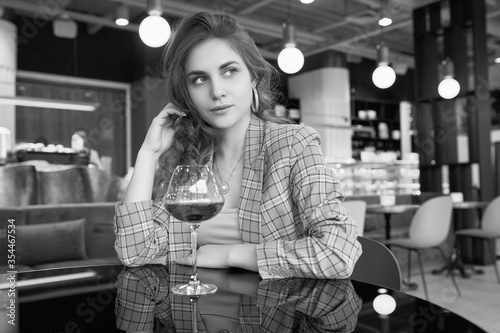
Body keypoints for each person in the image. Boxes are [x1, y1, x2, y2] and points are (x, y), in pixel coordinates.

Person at [114, 11, 362, 279]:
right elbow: (135, 252)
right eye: (199, 79)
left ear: (253, 77)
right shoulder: (189, 161)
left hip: (271, 314)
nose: (217, 91)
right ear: (187, 94)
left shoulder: (293, 145)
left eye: (229, 71)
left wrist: (229, 254)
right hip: (193, 314)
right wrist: (148, 153)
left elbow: (338, 252)